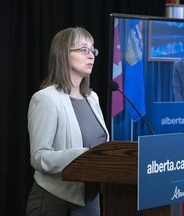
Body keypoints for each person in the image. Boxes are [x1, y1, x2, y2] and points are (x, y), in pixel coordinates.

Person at [26, 27, 109, 216]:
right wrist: (82, 155)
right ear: (63, 54)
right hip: (56, 202)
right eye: (83, 50)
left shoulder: (92, 98)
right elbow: (39, 157)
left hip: (92, 202)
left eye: (93, 50)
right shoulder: (46, 99)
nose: (91, 56)